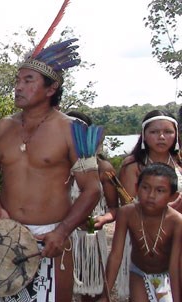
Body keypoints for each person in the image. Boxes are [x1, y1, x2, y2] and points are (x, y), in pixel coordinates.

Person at [0, 38, 101, 301]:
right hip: (6, 236)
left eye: (28, 80)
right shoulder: (2, 128)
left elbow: (92, 190)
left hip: (52, 237)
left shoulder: (72, 130)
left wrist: (62, 231)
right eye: (17, 80)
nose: (18, 87)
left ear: (51, 88)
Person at [117, 109, 182, 298]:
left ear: (176, 134)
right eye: (154, 132)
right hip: (147, 241)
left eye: (168, 132)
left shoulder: (179, 163)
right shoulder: (133, 166)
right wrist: (168, 208)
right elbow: (129, 205)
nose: (161, 137)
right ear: (144, 135)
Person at [100, 163, 182, 301]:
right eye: (145, 188)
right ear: (137, 188)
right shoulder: (126, 213)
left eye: (160, 190)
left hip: (167, 274)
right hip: (139, 272)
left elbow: (175, 267)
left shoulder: (176, 221)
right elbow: (116, 255)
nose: (151, 195)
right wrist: (105, 295)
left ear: (173, 196)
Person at [66, 111, 118, 300]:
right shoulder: (55, 168)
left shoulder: (103, 168)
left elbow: (115, 208)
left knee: (92, 292)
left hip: (89, 239)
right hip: (61, 237)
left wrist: (103, 218)